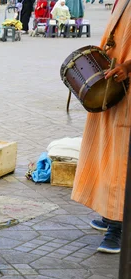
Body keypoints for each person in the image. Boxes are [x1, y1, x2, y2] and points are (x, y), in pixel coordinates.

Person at [71, 3, 130, 254]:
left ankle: (118, 225)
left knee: (122, 158)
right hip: (112, 81)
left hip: (126, 82)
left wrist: (128, 67)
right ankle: (110, 211)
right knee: (107, 149)